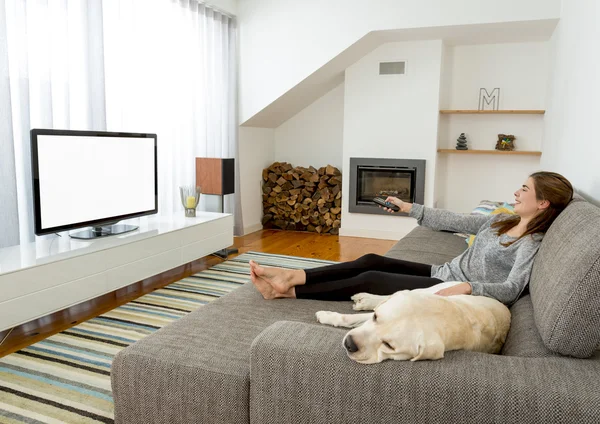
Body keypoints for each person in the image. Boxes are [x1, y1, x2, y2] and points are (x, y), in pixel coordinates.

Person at [249, 171, 574, 306]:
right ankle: (293, 276)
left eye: (525, 189)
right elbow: (457, 220)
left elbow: (514, 288)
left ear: (543, 202)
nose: (516, 192)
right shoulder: (505, 219)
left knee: (372, 277)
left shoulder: (531, 242)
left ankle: (290, 293)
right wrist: (409, 208)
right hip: (444, 271)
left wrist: (469, 287)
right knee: (371, 260)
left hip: (450, 289)